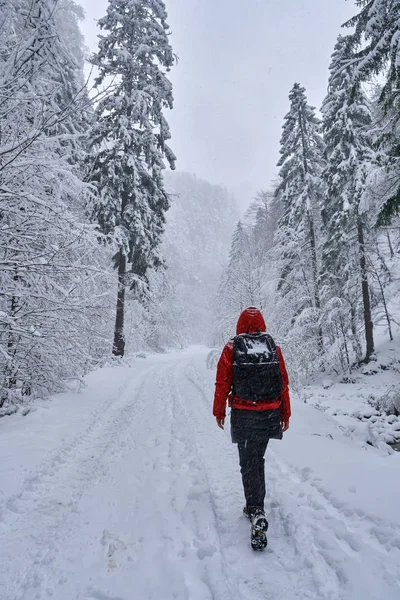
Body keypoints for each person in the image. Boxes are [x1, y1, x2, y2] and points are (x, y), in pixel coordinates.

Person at [213, 306, 291, 549]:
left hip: (244, 414)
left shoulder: (231, 348)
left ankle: (256, 511)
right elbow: (284, 383)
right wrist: (285, 412)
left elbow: (222, 381)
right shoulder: (272, 347)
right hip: (268, 413)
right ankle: (257, 505)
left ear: (239, 325)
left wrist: (219, 410)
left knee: (248, 462)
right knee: (258, 458)